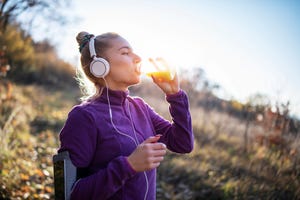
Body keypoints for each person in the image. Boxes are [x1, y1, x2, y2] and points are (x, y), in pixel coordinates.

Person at [58, 31, 194, 200]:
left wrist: (175, 96)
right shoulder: (83, 117)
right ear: (100, 65)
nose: (137, 58)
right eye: (125, 52)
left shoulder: (139, 107)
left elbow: (183, 144)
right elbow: (68, 194)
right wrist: (129, 165)